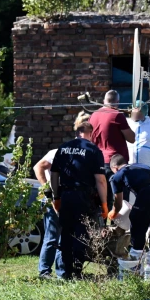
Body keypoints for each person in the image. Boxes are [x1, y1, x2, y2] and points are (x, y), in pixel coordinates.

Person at [50, 118, 109, 279]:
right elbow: (101, 180)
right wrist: (104, 204)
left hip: (66, 195)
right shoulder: (93, 150)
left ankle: (64, 272)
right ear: (92, 133)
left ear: (76, 132)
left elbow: (54, 175)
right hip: (84, 197)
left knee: (66, 234)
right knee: (81, 234)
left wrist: (56, 196)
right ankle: (76, 271)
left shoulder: (63, 148)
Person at [108, 154, 150, 256]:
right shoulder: (139, 166)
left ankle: (136, 253)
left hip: (147, 191)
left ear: (115, 168)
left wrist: (113, 213)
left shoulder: (117, 176)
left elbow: (118, 203)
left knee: (136, 219)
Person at [89, 90, 135, 205]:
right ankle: (119, 223)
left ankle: (101, 222)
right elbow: (132, 139)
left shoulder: (94, 115)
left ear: (104, 101)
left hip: (97, 162)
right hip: (116, 163)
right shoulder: (117, 115)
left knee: (102, 198)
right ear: (117, 102)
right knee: (121, 199)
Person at [33, 148, 64, 279]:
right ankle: (44, 271)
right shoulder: (57, 152)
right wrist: (47, 190)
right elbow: (38, 167)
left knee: (63, 237)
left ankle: (62, 271)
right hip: (53, 199)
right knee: (52, 236)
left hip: (64, 198)